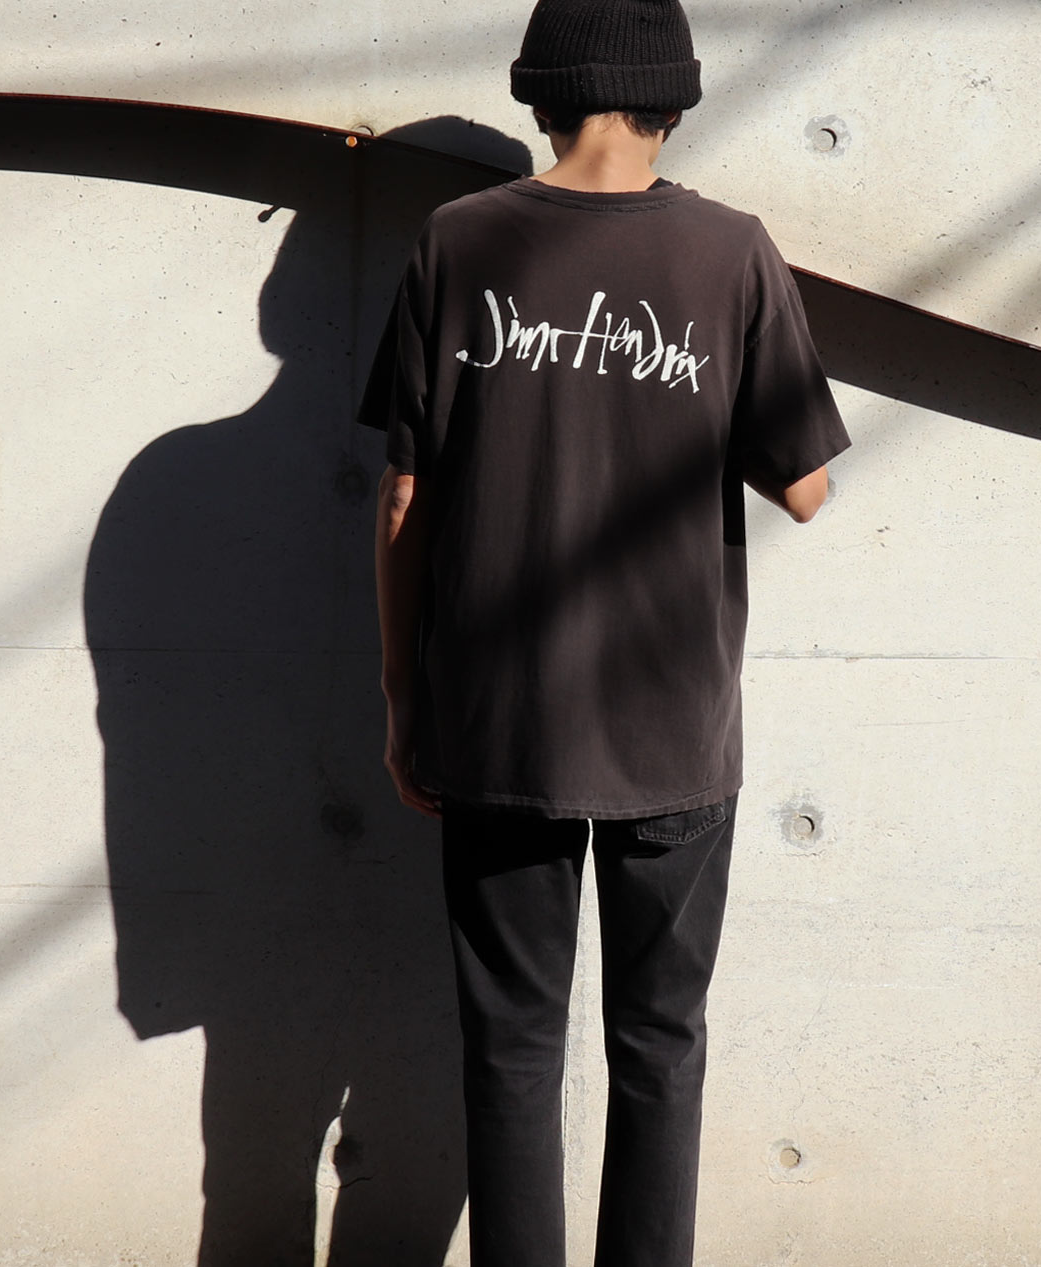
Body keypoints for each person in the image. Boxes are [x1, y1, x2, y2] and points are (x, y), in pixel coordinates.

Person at [364, 1, 851, 1261]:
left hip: (496, 724)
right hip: (671, 731)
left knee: (510, 1047)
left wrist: (404, 698)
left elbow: (406, 495)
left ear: (540, 96)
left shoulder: (456, 241)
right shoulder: (730, 252)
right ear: (672, 101)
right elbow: (805, 486)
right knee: (659, 1044)